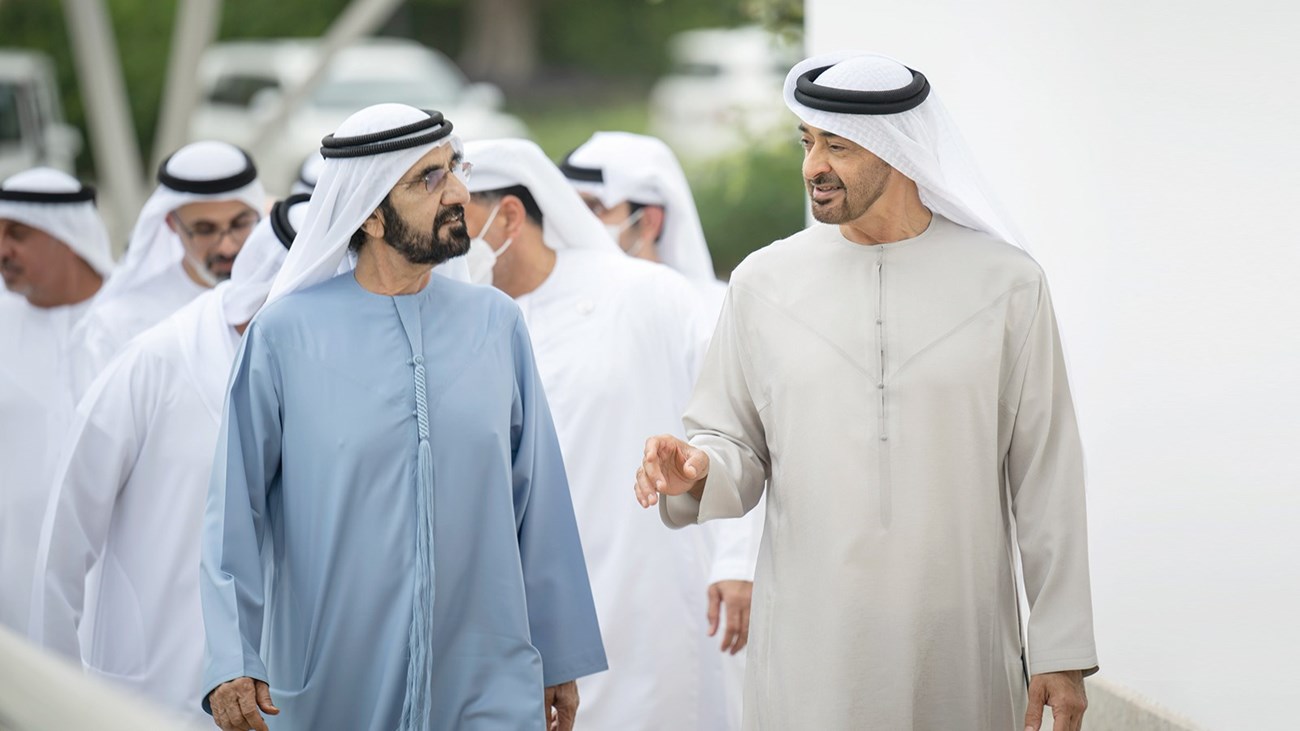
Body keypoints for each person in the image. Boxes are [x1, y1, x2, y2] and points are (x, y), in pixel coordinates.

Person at [635, 52, 1098, 731]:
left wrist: (1060, 648)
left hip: (960, 648)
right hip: (810, 652)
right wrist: (698, 467)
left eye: (838, 146)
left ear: (897, 150)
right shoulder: (763, 283)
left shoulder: (1007, 284)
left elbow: (1046, 474)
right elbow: (735, 442)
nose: (812, 166)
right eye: (807, 142)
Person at [200, 105, 605, 731]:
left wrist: (561, 652)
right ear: (370, 214)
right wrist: (233, 657)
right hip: (336, 682)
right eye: (428, 180)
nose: (459, 193)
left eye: (455, 170)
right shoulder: (284, 336)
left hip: (486, 679)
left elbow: (539, 499)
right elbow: (235, 510)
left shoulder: (496, 324)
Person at [465, 138, 752, 730]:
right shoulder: (457, 320)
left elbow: (736, 425)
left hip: (648, 588)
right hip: (517, 607)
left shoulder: (647, 293)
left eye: (458, 217)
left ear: (509, 217)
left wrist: (738, 558)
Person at [28, 196, 305, 720]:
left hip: (280, 697)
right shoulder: (155, 362)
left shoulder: (328, 374)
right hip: (148, 689)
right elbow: (64, 542)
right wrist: (55, 703)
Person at [0, 168, 113, 633]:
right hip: (11, 581)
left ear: (67, 237)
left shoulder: (134, 324)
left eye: (17, 234)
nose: (3, 250)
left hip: (110, 581)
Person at [70, 141, 264, 395]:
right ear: (172, 223)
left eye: (240, 224)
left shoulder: (279, 298)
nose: (227, 246)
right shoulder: (118, 323)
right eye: (205, 230)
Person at [561, 131, 726, 310]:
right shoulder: (568, 308)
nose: (581, 221)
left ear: (649, 221)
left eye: (594, 208)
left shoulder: (714, 309)